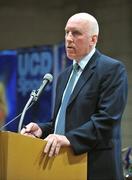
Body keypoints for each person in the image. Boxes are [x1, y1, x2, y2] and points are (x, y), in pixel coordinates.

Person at [21, 12, 128, 180]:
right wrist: (42, 129)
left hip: (95, 168)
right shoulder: (64, 76)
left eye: (76, 33)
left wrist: (67, 139)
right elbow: (63, 123)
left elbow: (106, 120)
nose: (69, 38)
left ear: (93, 39)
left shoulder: (112, 70)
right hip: (61, 167)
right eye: (66, 32)